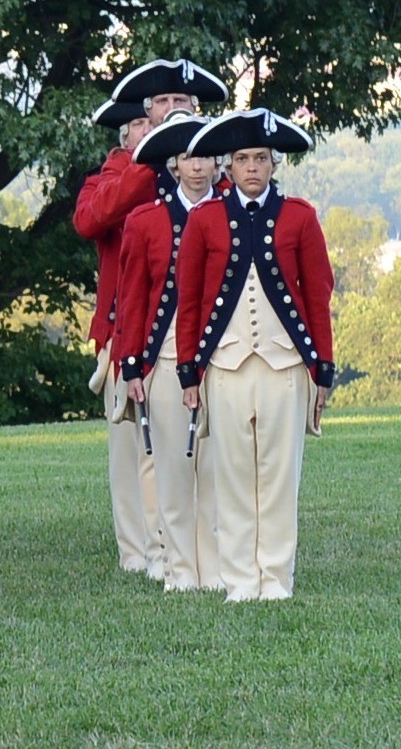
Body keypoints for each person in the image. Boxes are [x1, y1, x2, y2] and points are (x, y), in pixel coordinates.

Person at [75, 60, 228, 577]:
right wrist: (150, 160)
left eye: (183, 102)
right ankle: (142, 553)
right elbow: (91, 219)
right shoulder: (122, 172)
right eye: (162, 104)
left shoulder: (209, 172)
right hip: (129, 333)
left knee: (200, 448)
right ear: (142, 118)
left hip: (199, 339)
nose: (173, 109)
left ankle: (194, 548)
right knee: (136, 449)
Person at [175, 109, 333, 602]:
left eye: (260, 159)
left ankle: (276, 579)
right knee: (234, 476)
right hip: (224, 364)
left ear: (272, 163)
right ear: (229, 164)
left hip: (285, 365)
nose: (251, 168)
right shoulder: (204, 221)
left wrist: (322, 369)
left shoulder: (299, 216)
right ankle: (241, 580)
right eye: (242, 159)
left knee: (280, 477)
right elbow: (191, 300)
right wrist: (188, 372)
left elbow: (318, 295)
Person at [114, 112, 222, 592]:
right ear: (174, 165)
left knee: (217, 469)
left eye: (204, 156)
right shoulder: (146, 221)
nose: (197, 167)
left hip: (220, 360)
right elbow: (133, 298)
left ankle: (215, 564)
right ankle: (180, 570)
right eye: (187, 158)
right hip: (162, 359)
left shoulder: (230, 216)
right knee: (173, 470)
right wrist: (132, 363)